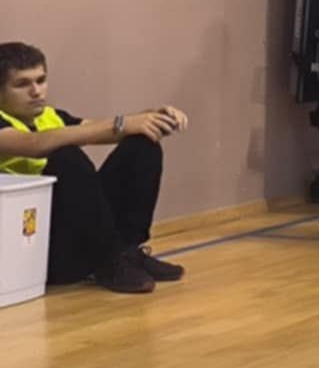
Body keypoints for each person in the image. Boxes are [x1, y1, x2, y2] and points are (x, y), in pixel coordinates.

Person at [0, 42, 188, 295]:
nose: (36, 91)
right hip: (38, 245)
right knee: (65, 156)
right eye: (22, 84)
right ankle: (106, 260)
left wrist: (152, 118)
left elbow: (100, 129)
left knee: (142, 144)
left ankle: (126, 252)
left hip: (81, 232)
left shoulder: (51, 116)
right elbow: (35, 144)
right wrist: (122, 123)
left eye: (41, 80)